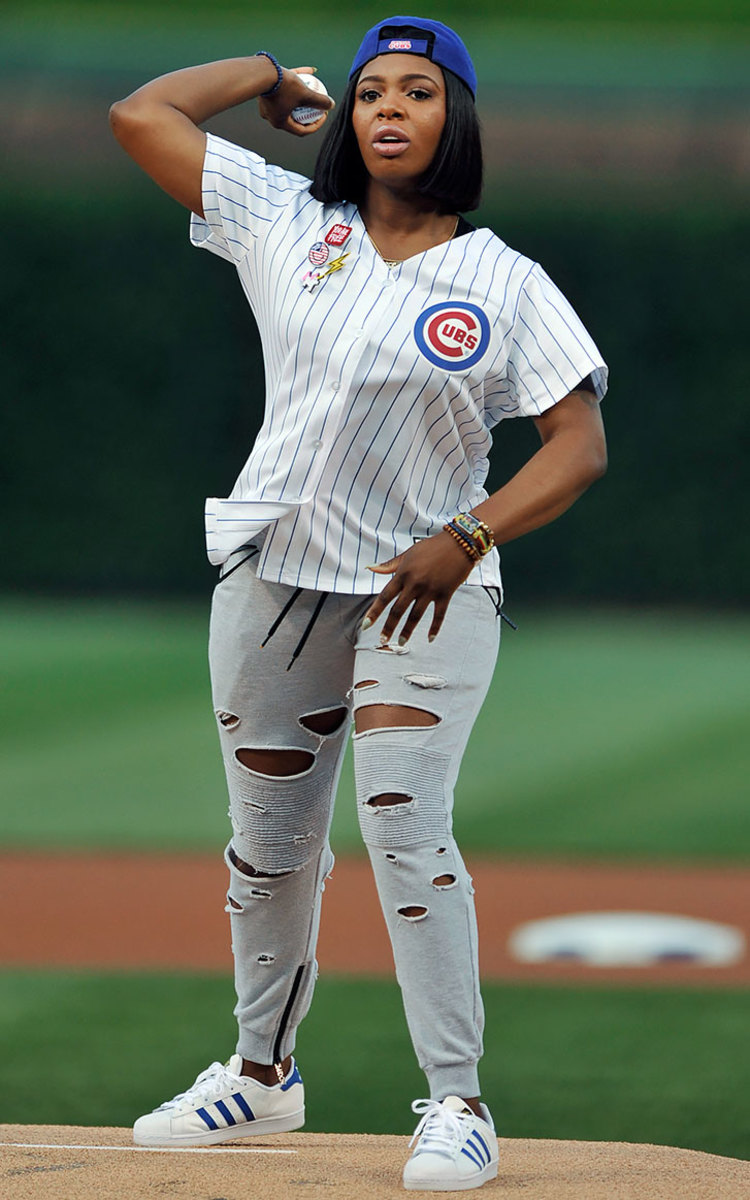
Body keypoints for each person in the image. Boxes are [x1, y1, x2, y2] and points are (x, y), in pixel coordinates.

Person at [110, 15, 607, 1191]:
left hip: (424, 594)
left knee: (402, 826)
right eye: (374, 89)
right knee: (268, 851)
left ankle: (458, 1104)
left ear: (457, 122)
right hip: (276, 580)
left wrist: (470, 532)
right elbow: (142, 116)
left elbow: (577, 446)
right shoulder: (288, 222)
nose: (389, 107)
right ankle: (262, 1075)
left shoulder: (505, 282)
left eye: (420, 92)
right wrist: (269, 78)